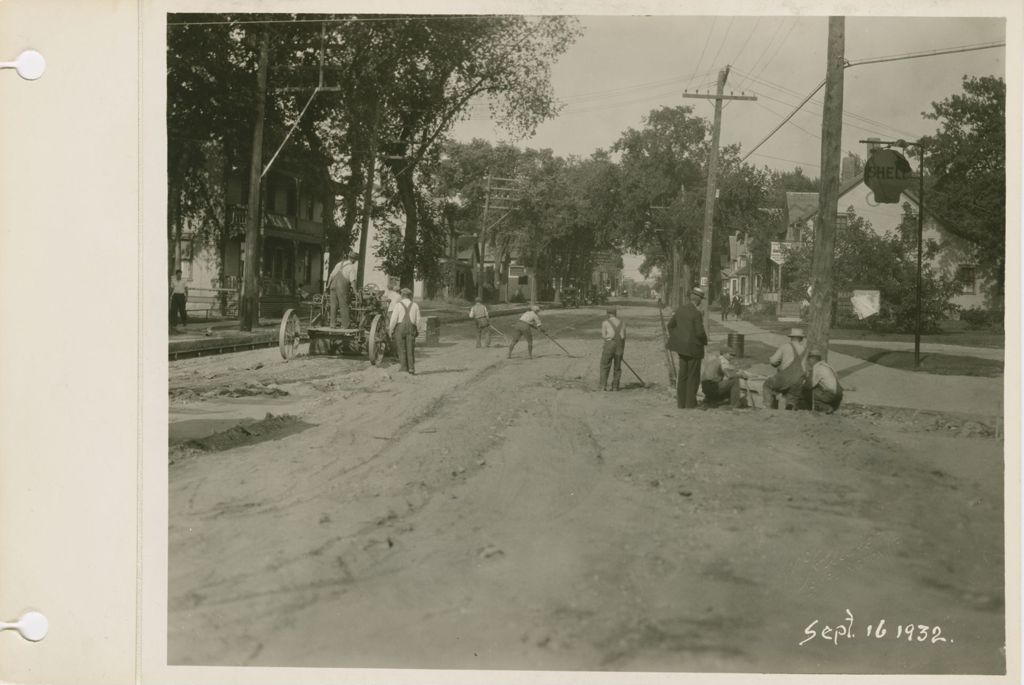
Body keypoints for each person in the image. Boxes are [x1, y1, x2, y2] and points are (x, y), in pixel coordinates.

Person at [666, 287, 708, 409]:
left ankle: (681, 403)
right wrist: (705, 341)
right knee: (693, 376)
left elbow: (670, 326)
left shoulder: (680, 310)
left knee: (682, 375)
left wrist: (678, 338)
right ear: (698, 300)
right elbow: (700, 333)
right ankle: (690, 403)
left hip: (682, 349)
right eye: (701, 299)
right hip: (694, 349)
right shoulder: (696, 313)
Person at [764, 327, 808, 409]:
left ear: (791, 337)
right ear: (801, 338)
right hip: (798, 380)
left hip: (785, 377)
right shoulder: (805, 349)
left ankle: (768, 407)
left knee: (768, 385)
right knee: (792, 398)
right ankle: (790, 407)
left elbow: (773, 361)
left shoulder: (785, 346)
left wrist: (777, 363)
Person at [388, 287, 420, 374]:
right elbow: (418, 320)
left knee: (401, 348)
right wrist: (417, 329)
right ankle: (411, 368)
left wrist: (390, 330)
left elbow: (394, 319)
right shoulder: (415, 305)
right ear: (410, 296)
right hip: (411, 328)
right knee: (410, 348)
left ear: (402, 295)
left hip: (400, 329)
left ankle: (403, 368)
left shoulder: (398, 305)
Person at [803, 349, 843, 413]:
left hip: (831, 394)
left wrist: (801, 386)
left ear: (813, 359)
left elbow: (809, 385)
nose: (808, 362)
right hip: (839, 394)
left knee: (810, 393)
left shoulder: (817, 368)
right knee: (818, 390)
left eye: (809, 359)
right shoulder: (826, 366)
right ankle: (833, 405)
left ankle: (825, 408)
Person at [327, 251, 359, 328]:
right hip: (341, 287)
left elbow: (331, 276)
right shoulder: (352, 267)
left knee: (333, 305)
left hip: (332, 286)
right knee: (344, 305)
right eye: (355, 260)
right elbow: (353, 282)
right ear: (354, 260)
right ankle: (345, 325)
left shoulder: (339, 264)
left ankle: (332, 324)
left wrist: (327, 286)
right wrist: (356, 293)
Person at [599, 306, 626, 391]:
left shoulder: (605, 323)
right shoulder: (622, 323)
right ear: (615, 314)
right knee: (617, 367)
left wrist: (608, 339)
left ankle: (603, 386)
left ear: (608, 314)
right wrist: (622, 350)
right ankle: (615, 387)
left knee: (605, 365)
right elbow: (623, 337)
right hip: (619, 346)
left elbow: (604, 336)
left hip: (609, 345)